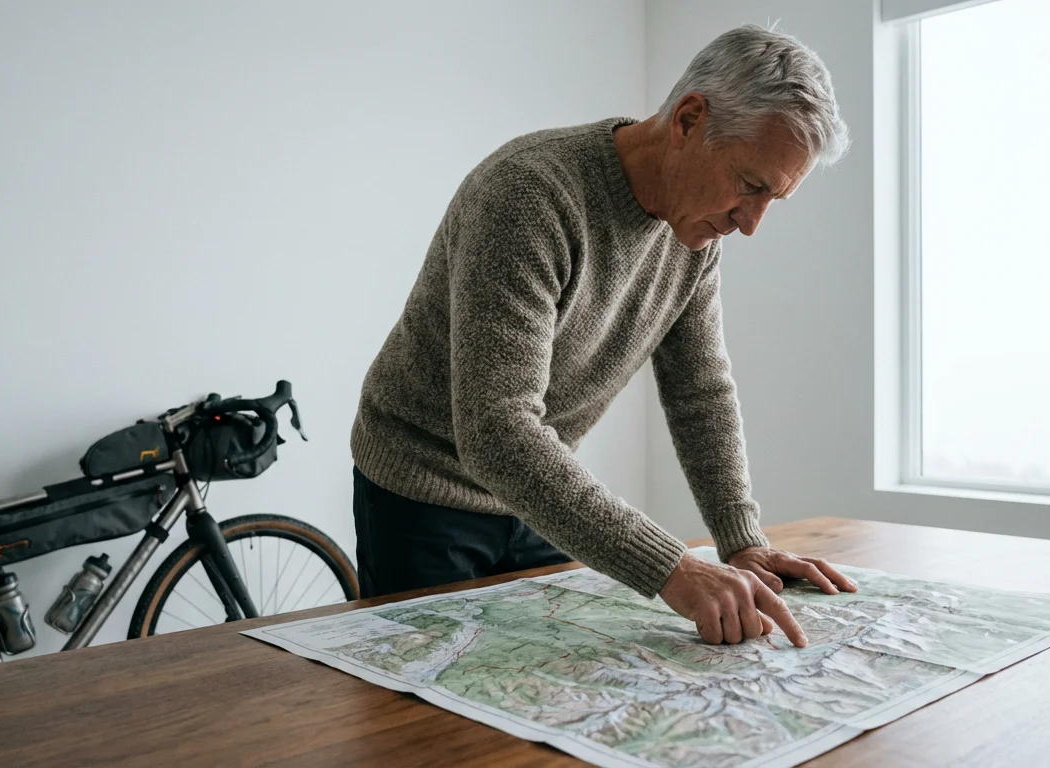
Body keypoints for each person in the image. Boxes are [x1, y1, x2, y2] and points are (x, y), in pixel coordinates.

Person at [351, 23, 858, 646]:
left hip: (537, 490)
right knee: (423, 723)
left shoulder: (693, 234)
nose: (751, 224)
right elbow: (494, 429)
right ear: (688, 120)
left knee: (546, 690)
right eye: (751, 185)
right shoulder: (529, 195)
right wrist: (673, 568)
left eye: (773, 199)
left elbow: (700, 392)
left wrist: (742, 541)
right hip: (421, 491)